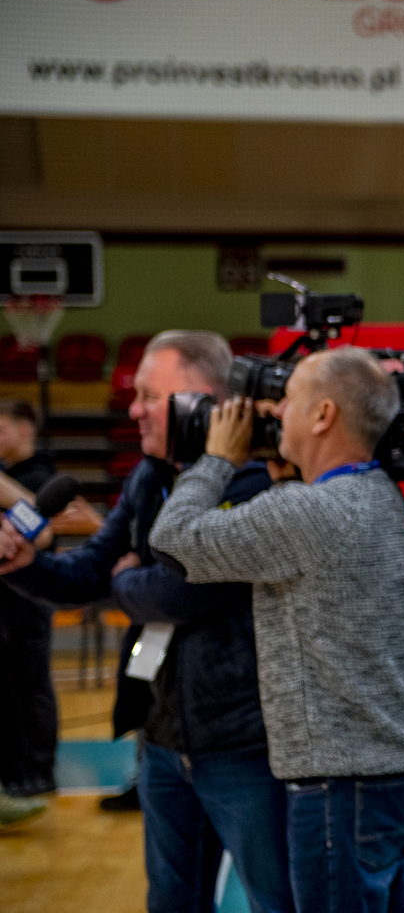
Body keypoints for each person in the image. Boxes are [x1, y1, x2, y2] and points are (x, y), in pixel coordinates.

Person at [0, 331, 292, 912]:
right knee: (171, 902)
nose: (132, 409)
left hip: (248, 748)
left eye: (148, 396)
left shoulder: (259, 482)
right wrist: (27, 566)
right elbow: (89, 570)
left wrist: (127, 582)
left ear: (205, 401)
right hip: (162, 741)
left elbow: (180, 593)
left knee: (277, 899)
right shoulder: (149, 475)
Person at [149, 346, 404, 913]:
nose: (274, 411)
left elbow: (173, 540)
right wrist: (289, 476)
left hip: (341, 783)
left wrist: (217, 459)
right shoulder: (379, 493)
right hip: (397, 772)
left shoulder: (307, 513)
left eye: (287, 398)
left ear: (323, 414)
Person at [0, 399, 60, 800]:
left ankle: (37, 769)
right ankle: (12, 769)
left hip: (26, 600)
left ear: (25, 429)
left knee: (28, 684)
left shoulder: (39, 476)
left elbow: (41, 531)